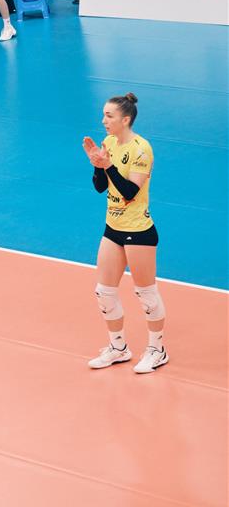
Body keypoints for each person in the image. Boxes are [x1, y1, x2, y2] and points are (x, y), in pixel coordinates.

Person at [82, 93, 169, 374]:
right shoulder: (108, 143)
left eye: (109, 116)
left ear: (125, 119)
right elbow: (101, 187)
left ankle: (157, 350)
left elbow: (130, 192)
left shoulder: (142, 149)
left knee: (146, 295)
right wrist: (97, 166)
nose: (103, 120)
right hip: (113, 228)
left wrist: (108, 166)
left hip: (138, 231)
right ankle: (118, 347)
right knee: (104, 292)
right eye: (104, 115)